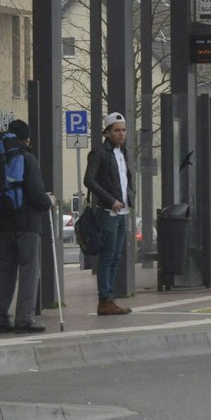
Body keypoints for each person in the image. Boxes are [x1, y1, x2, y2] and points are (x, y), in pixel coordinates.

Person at [0, 120, 53, 334]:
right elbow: (37, 195)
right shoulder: (28, 159)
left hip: (2, 224)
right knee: (29, 270)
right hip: (27, 224)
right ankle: (25, 318)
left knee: (4, 271)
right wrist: (50, 201)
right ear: (27, 138)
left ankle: (1, 318)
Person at [82, 113, 136, 315]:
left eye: (123, 130)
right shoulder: (100, 153)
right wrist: (110, 199)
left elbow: (127, 179)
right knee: (107, 256)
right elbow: (89, 180)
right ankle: (104, 299)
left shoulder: (124, 153)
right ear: (107, 132)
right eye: (116, 130)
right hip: (107, 211)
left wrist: (130, 196)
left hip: (122, 211)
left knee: (115, 256)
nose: (121, 134)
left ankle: (109, 297)